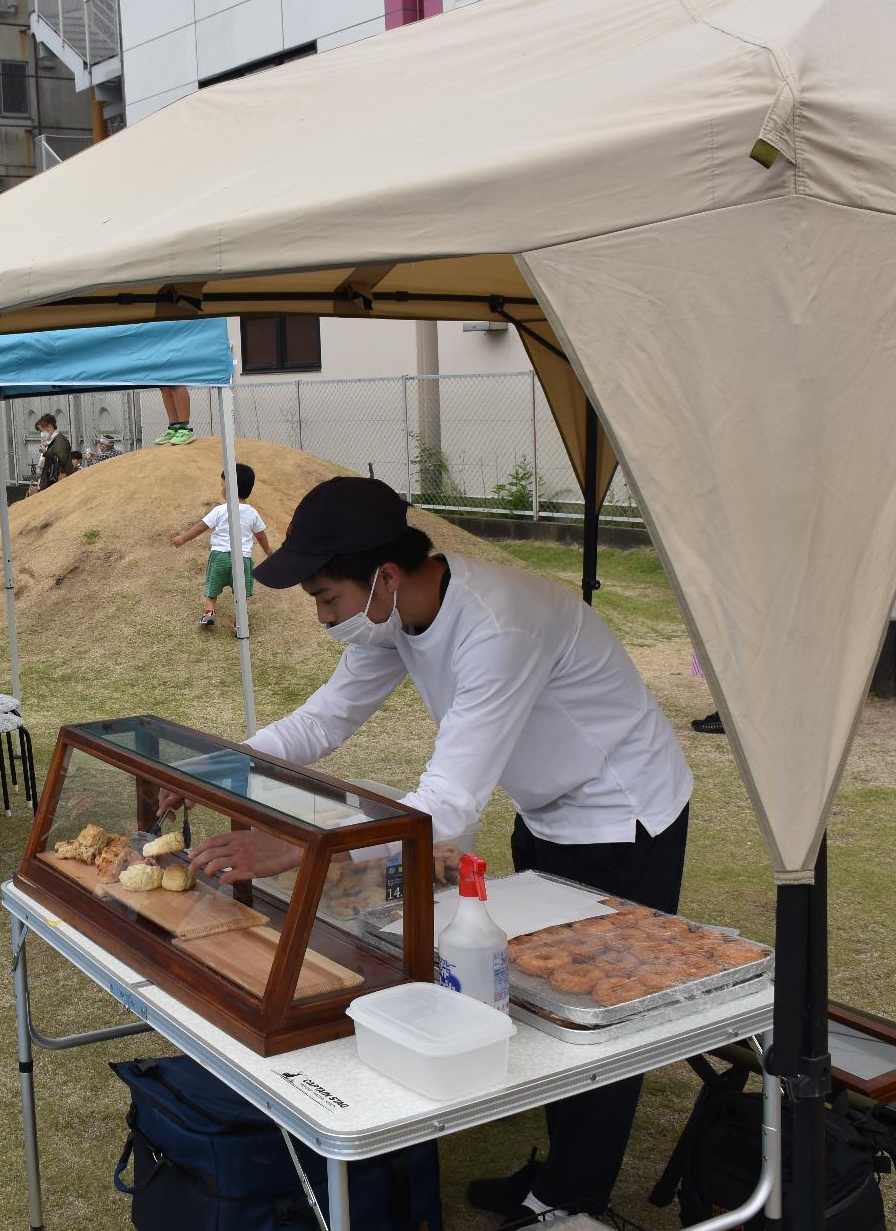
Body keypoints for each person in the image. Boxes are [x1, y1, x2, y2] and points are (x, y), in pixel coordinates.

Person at [177, 477, 693, 1226]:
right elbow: (323, 720)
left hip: (625, 816)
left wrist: (292, 845)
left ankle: (570, 1200)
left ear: (383, 576)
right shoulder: (396, 614)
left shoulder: (497, 627)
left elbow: (445, 806)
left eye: (326, 597)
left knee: (598, 1011)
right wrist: (212, 769)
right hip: (547, 809)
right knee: (538, 995)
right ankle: (558, 1175)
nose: (322, 617)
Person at [169, 461, 272, 630]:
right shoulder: (252, 512)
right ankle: (239, 621)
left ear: (229, 488)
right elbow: (260, 535)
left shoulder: (220, 510)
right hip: (243, 559)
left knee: (212, 587)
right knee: (240, 592)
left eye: (222, 484)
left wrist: (182, 539)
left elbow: (201, 527)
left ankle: (209, 612)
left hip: (220, 557)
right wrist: (268, 551)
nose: (221, 488)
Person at [35, 414, 77, 489]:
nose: (41, 434)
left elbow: (61, 460)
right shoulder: (51, 441)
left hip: (59, 484)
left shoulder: (59, 440)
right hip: (53, 483)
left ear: (50, 427)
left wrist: (45, 452)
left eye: (42, 430)